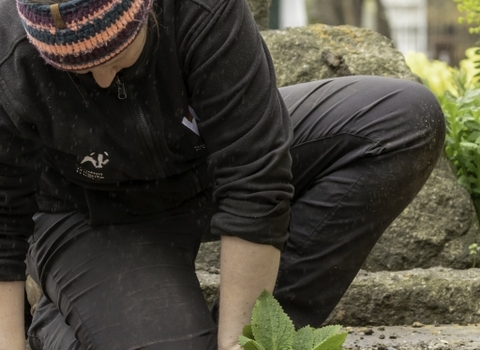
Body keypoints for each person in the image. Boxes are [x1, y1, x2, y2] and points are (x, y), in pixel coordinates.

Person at [0, 0, 445, 349]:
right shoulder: (9, 52)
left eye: (116, 58)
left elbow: (256, 176)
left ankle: (250, 330)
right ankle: (73, 316)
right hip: (89, 212)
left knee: (404, 122)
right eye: (77, 70)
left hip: (204, 162)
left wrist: (241, 341)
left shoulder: (200, 9)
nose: (100, 80)